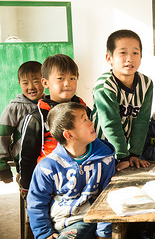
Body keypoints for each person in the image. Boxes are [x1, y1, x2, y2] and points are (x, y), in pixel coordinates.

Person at [27, 102, 115, 239]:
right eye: (84, 120)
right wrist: (44, 233)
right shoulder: (47, 167)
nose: (91, 123)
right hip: (56, 222)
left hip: (84, 219)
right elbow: (36, 202)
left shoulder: (104, 158)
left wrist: (104, 233)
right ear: (69, 135)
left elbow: (108, 197)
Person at [19, 54, 89, 195]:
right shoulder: (37, 117)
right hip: (50, 179)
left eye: (72, 78)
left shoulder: (85, 110)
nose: (67, 83)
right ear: (45, 83)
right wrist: (27, 187)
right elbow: (27, 156)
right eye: (60, 78)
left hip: (84, 175)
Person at [92, 29, 153, 171]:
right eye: (123, 52)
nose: (129, 58)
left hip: (125, 151)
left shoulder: (146, 83)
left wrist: (134, 154)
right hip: (100, 148)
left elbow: (142, 121)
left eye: (135, 53)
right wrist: (122, 156)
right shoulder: (105, 85)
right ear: (109, 58)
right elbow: (110, 123)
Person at [0, 61, 45, 183]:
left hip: (48, 159)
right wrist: (2, 165)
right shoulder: (14, 107)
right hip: (25, 162)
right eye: (25, 83)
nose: (31, 87)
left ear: (44, 81)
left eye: (36, 81)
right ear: (20, 84)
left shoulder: (49, 104)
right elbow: (2, 135)